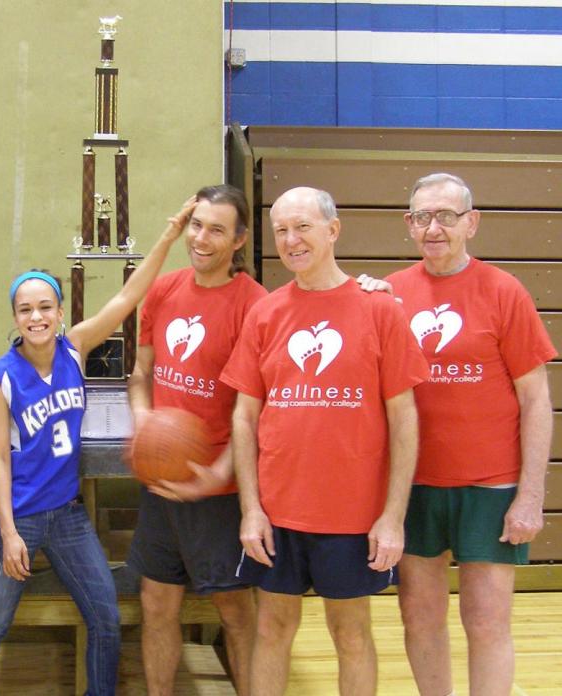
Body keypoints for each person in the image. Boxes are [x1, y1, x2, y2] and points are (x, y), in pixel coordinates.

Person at [0, 198, 192, 696]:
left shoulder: (75, 346)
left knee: (106, 617)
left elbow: (129, 296)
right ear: (15, 316)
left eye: (46, 307)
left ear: (61, 312)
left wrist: (169, 237)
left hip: (66, 515)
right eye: (26, 309)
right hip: (17, 516)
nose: (37, 316)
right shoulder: (0, 376)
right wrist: (7, 533)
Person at [221, 187, 428, 696]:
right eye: (282, 231)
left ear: (332, 230)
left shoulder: (380, 310)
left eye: (303, 228)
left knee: (351, 633)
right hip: (277, 512)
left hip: (353, 514)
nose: (291, 241)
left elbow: (404, 420)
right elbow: (244, 418)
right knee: (271, 628)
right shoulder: (266, 314)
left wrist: (392, 516)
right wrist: (251, 509)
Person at [386, 173, 556, 696]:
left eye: (446, 216)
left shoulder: (505, 292)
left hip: (490, 486)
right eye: (421, 217)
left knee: (486, 622)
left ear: (471, 222)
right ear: (409, 225)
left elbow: (536, 399)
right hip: (413, 486)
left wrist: (530, 494)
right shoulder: (390, 294)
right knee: (419, 617)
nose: (433, 228)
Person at [125, 184, 266, 695]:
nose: (202, 238)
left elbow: (257, 410)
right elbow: (142, 374)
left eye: (217, 230)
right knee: (156, 604)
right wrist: (144, 421)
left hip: (218, 493)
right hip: (162, 482)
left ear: (239, 240)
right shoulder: (162, 291)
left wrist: (220, 472)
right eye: (197, 225)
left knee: (235, 611)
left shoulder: (257, 306)